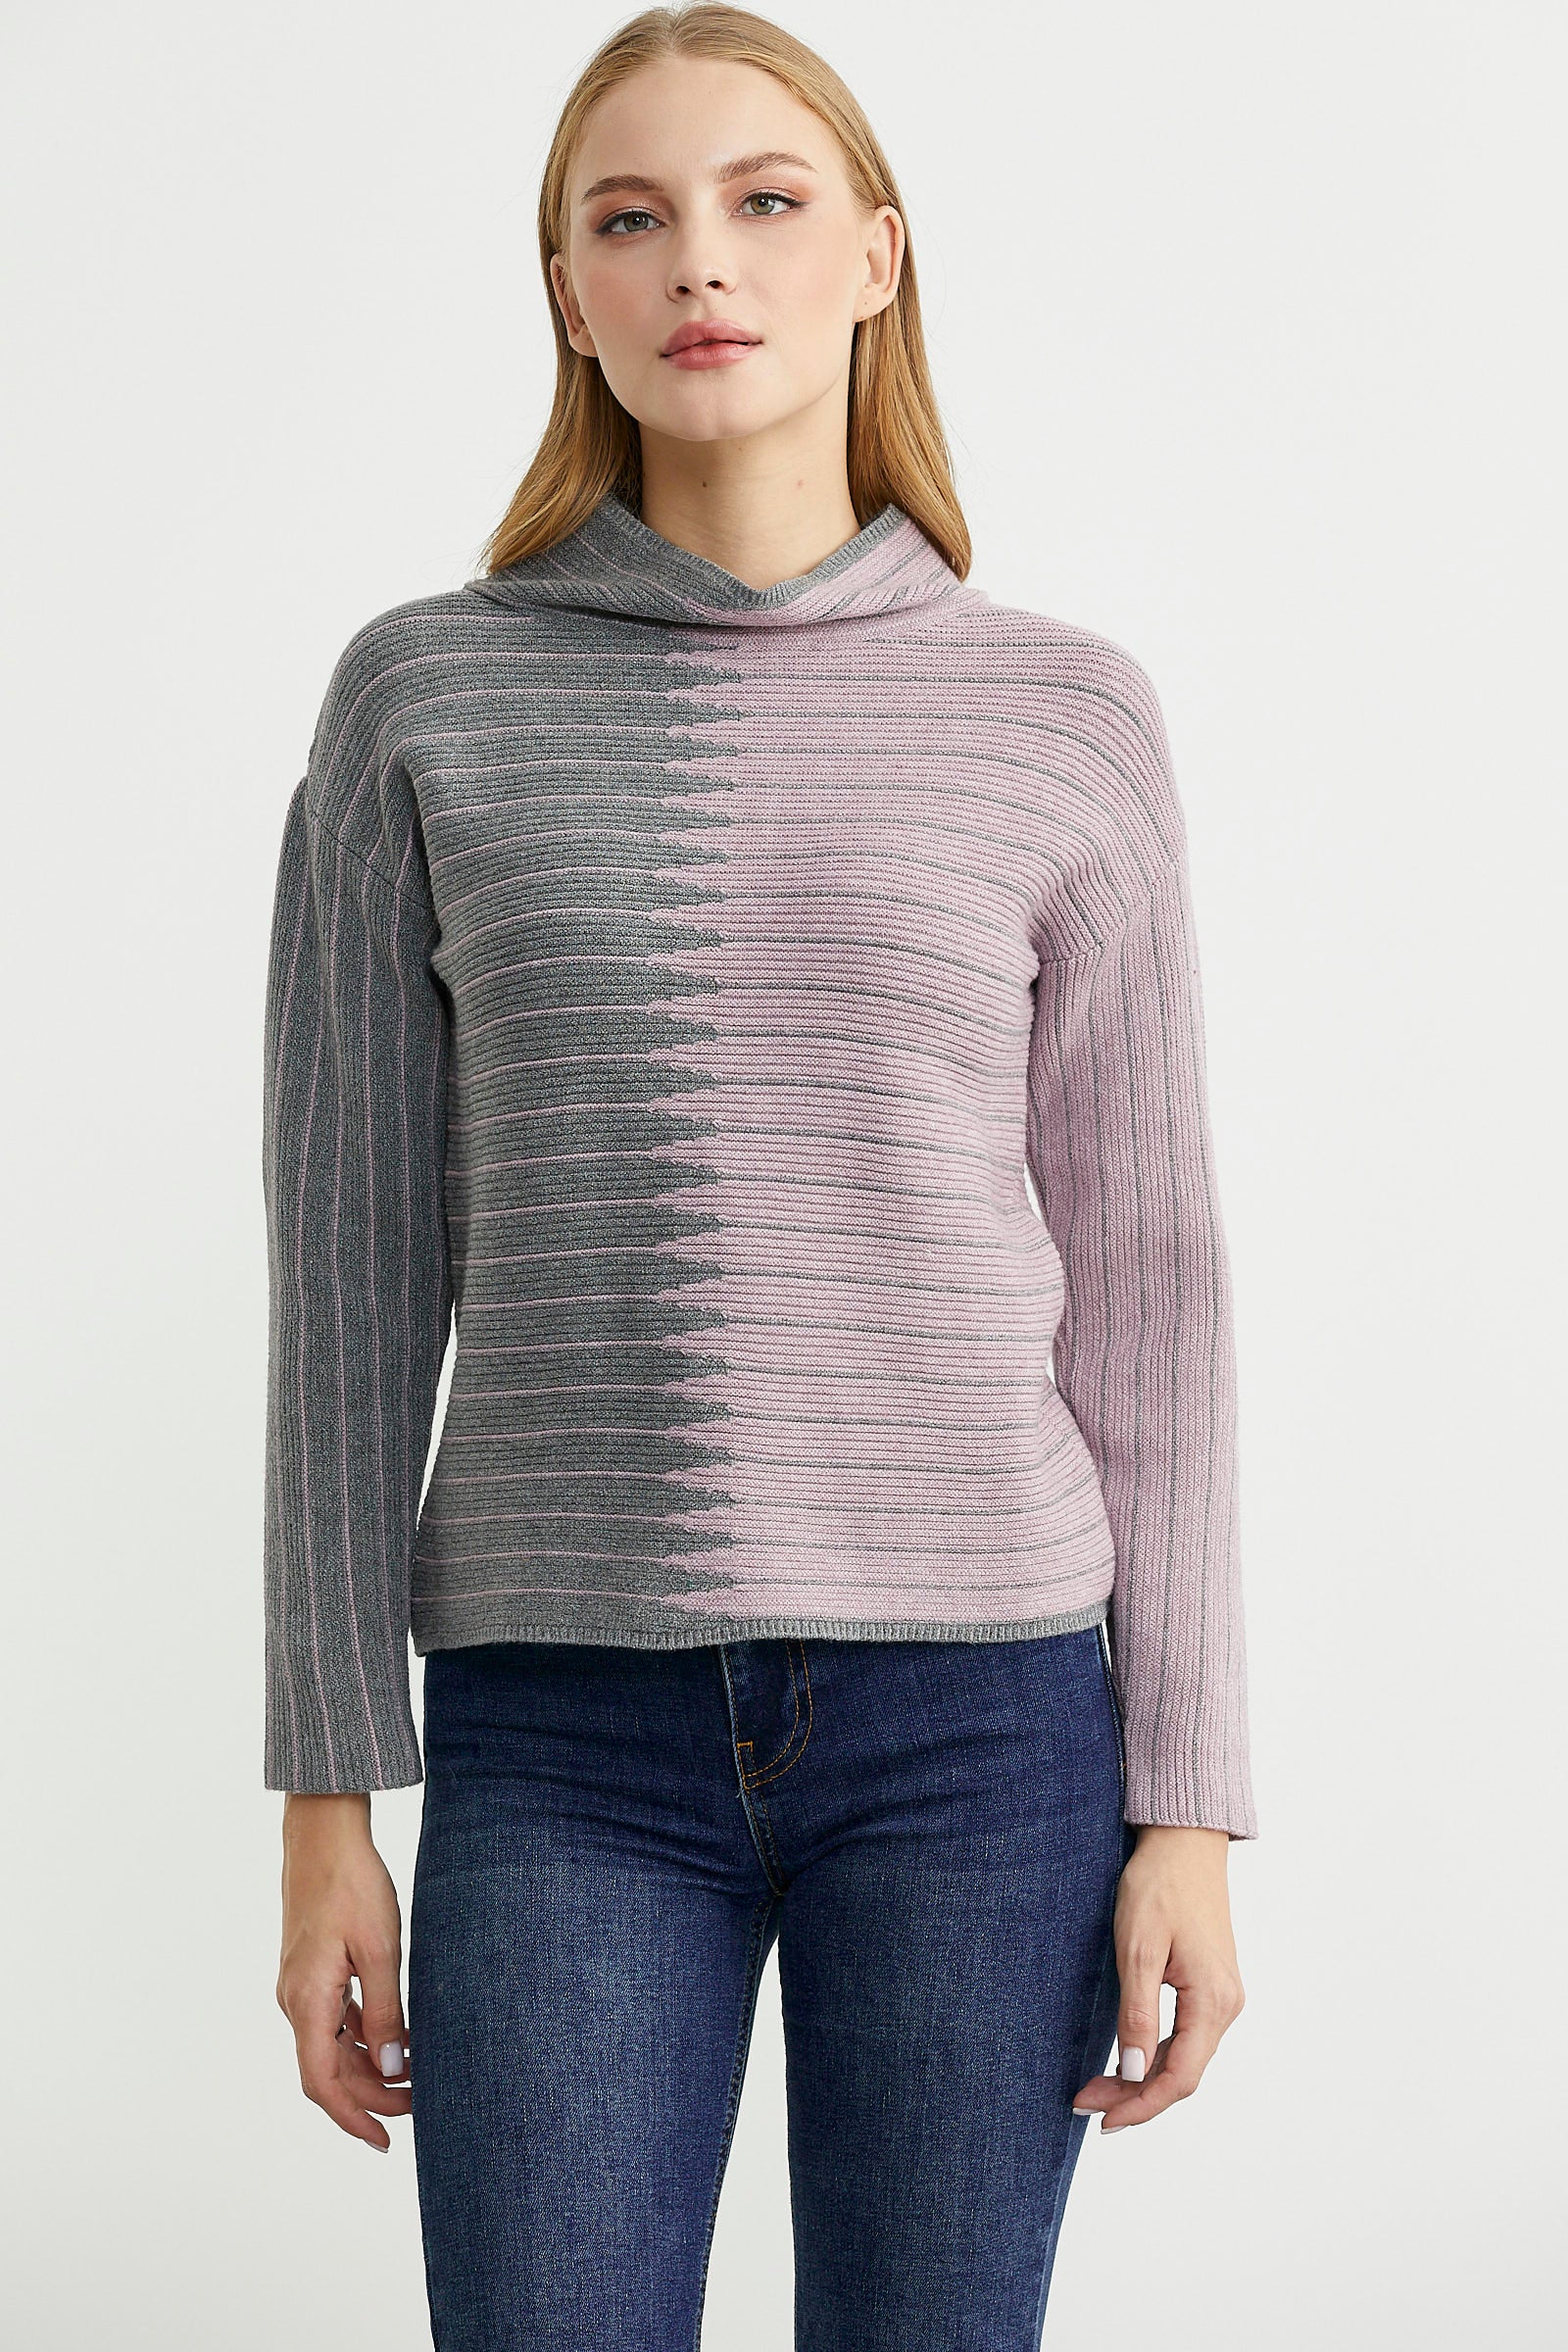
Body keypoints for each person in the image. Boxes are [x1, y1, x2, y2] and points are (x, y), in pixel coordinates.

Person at [263, 6, 1257, 2343]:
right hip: (558, 1728)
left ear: (876, 258)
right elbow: (348, 1276)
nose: (699, 259)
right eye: (629, 218)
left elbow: (1149, 1288)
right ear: (568, 294)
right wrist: (326, 1798)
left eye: (763, 199)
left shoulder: (1061, 715)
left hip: (984, 1728)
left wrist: (1190, 1804)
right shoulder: (423, 699)